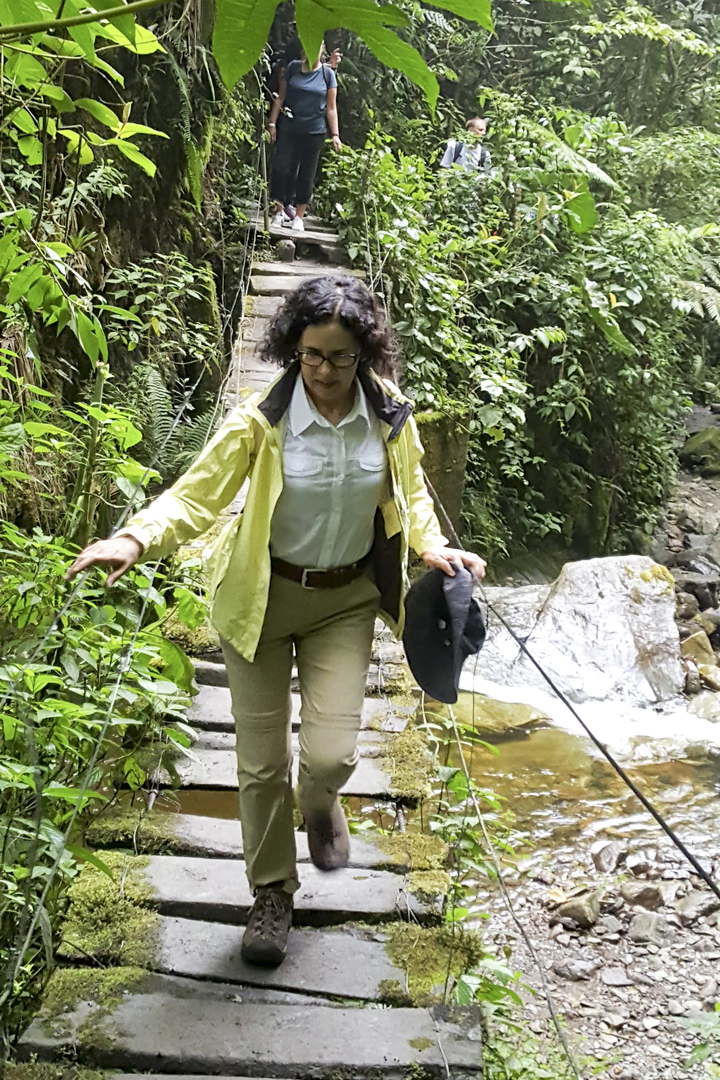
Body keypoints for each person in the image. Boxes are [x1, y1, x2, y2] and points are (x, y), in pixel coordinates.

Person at [66, 275, 486, 969]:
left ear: (365, 355)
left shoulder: (390, 416)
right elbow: (195, 496)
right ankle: (271, 893)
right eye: (311, 356)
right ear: (294, 349)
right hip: (260, 598)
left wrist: (434, 547)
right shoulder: (260, 419)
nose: (324, 371)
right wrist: (136, 539)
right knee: (261, 765)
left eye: (340, 358)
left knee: (330, 756)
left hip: (345, 601)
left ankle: (319, 807)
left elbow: (410, 493)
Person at [267, 41, 342, 233]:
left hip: (314, 131)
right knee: (281, 168)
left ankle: (299, 217)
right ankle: (278, 211)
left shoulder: (327, 75)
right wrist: (272, 123)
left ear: (321, 50)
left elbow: (331, 107)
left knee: (306, 173)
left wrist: (335, 134)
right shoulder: (293, 68)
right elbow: (281, 97)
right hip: (289, 128)